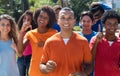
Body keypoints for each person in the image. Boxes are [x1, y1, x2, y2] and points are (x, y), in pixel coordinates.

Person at [40, 7, 92, 76]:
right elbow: (41, 65)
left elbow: (89, 64)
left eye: (69, 18)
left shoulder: (83, 41)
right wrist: (46, 68)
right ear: (58, 21)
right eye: (63, 18)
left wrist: (84, 73)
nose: (66, 21)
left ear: (74, 21)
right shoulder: (50, 42)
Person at [17, 5, 57, 76]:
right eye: (41, 16)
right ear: (37, 16)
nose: (42, 19)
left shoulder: (54, 33)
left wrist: (46, 44)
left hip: (49, 73)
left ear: (49, 20)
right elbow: (20, 53)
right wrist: (21, 32)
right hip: (33, 72)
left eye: (45, 18)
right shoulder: (30, 34)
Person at [90, 10, 120, 76]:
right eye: (109, 24)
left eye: (115, 24)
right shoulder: (95, 39)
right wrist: (96, 43)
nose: (112, 27)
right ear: (104, 24)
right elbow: (90, 58)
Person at [17, 10, 37, 76]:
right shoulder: (19, 32)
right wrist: (22, 31)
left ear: (32, 21)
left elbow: (34, 43)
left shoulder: (34, 31)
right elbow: (19, 44)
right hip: (21, 57)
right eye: (24, 19)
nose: (26, 21)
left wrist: (31, 31)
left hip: (30, 57)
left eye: (28, 19)